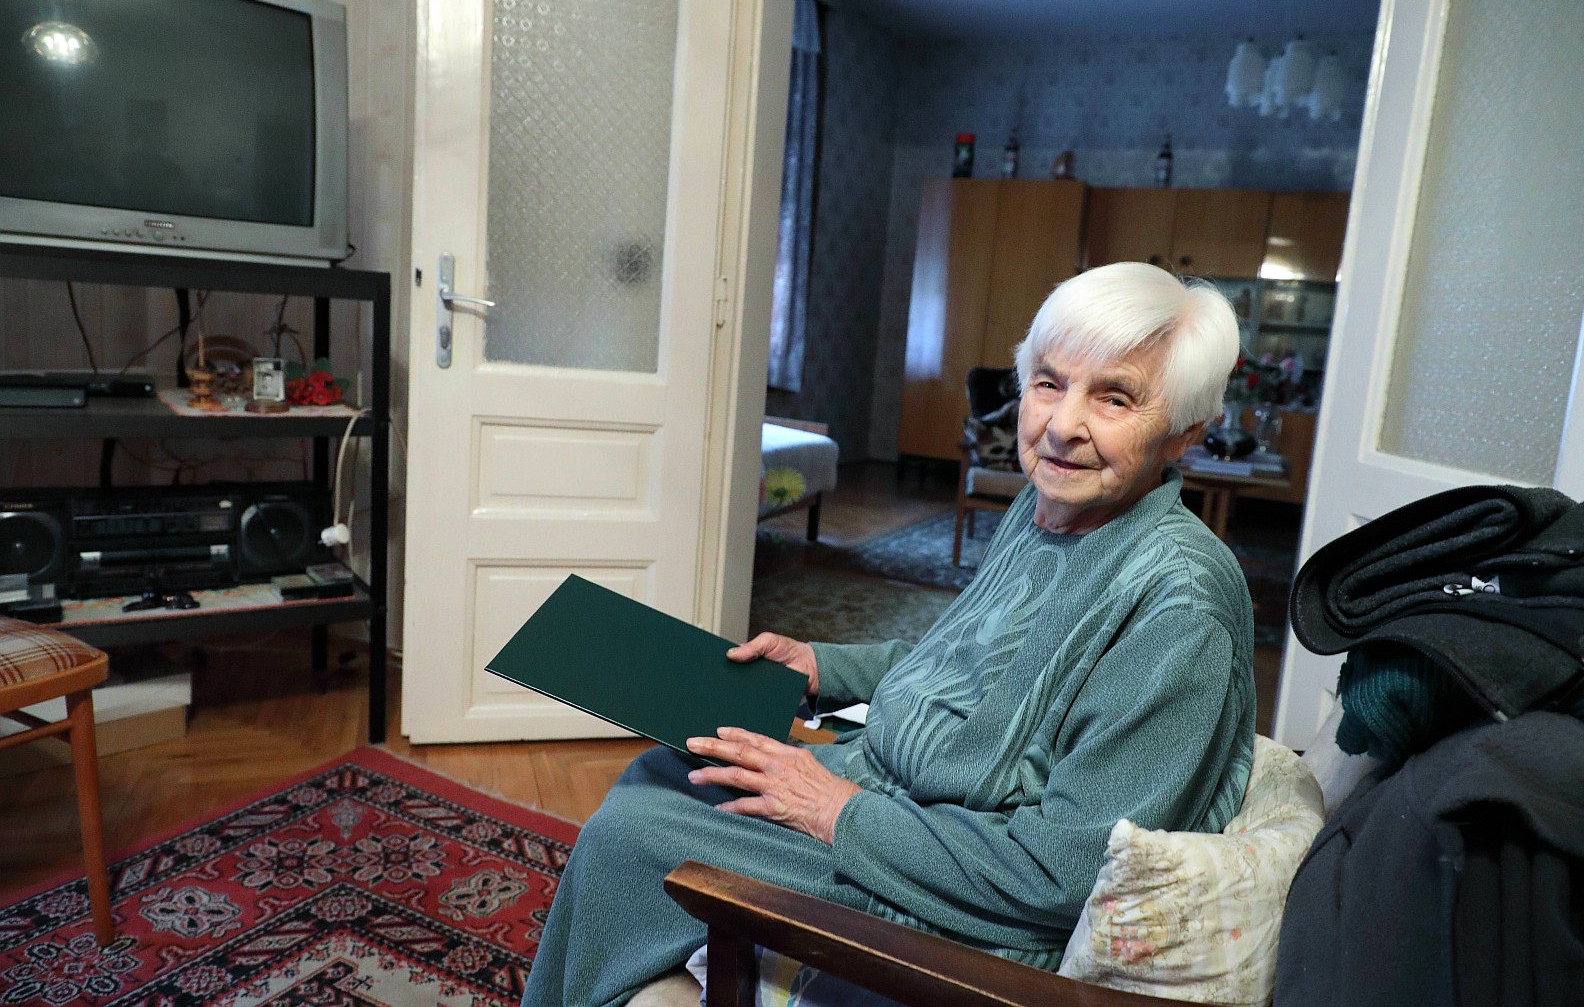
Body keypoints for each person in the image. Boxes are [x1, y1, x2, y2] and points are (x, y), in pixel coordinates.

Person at [521, 262, 1257, 1007]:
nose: (1063, 425)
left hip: (961, 896)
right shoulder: (1049, 511)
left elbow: (1062, 873)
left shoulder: (1180, 607)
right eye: (1048, 383)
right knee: (665, 769)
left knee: (631, 835)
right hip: (895, 801)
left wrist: (833, 808)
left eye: (1115, 397)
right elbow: (969, 665)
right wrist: (821, 667)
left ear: (1184, 432)